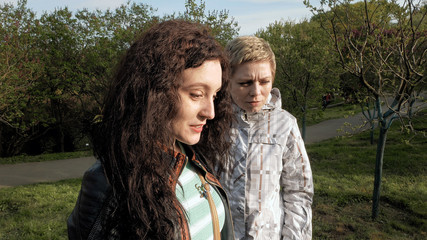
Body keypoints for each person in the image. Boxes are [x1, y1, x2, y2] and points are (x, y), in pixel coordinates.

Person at [67, 20, 235, 240]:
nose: (210, 112)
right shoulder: (110, 183)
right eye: (196, 94)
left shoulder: (194, 156)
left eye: (214, 95)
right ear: (155, 92)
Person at [220, 36, 314, 240]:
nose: (256, 92)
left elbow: (299, 191)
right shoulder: (212, 122)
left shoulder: (285, 125)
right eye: (245, 83)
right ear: (227, 81)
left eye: (264, 82)